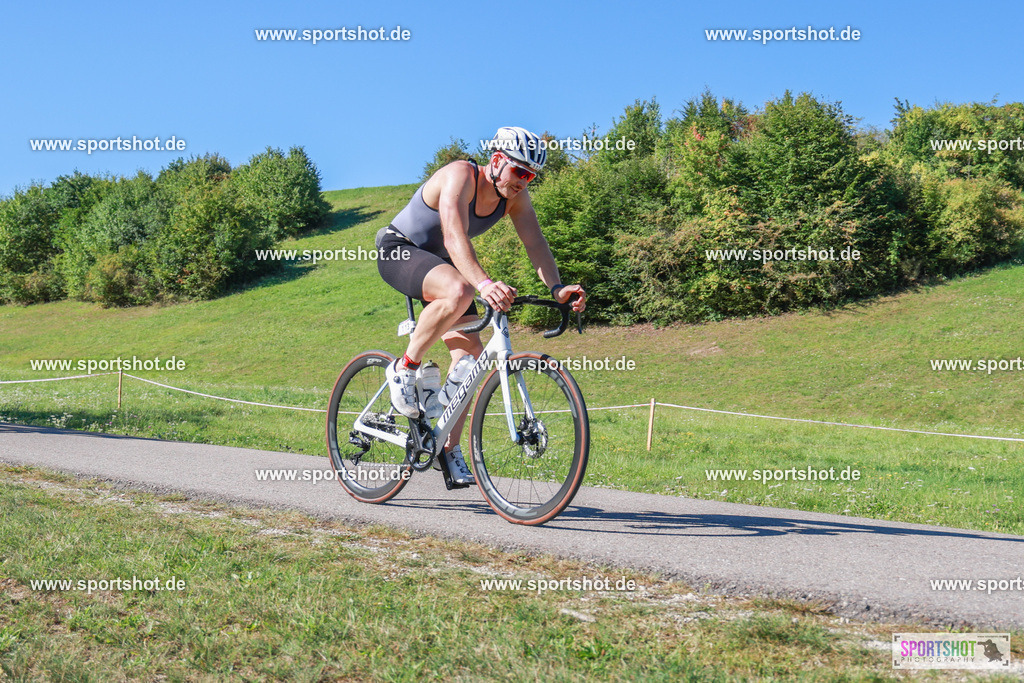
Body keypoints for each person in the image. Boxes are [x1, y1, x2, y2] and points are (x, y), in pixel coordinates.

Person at [375, 126, 586, 486]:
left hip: (441, 262)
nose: (524, 181)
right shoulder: (460, 175)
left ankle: (446, 446)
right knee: (460, 290)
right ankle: (403, 368)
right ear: (497, 161)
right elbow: (454, 235)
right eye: (519, 171)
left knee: (470, 360)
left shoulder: (515, 199)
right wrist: (485, 284)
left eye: (531, 175)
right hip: (401, 249)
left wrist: (556, 288)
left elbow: (536, 243)